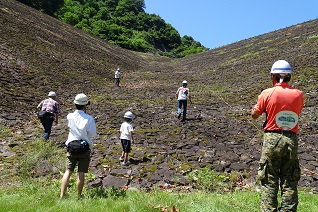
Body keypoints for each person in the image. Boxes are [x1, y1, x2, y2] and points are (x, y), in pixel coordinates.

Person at [251, 60, 304, 212]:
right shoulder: (299, 94)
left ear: (273, 76)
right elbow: (296, 113)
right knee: (290, 179)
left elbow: (255, 114)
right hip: (291, 139)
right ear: (289, 77)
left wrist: (255, 107)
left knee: (269, 179)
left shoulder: (267, 93)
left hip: (272, 139)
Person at [60, 93, 97, 199]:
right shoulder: (89, 118)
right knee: (81, 173)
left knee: (68, 171)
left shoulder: (70, 116)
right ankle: (79, 195)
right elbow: (92, 134)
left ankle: (62, 195)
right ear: (85, 105)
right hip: (84, 148)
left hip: (71, 147)